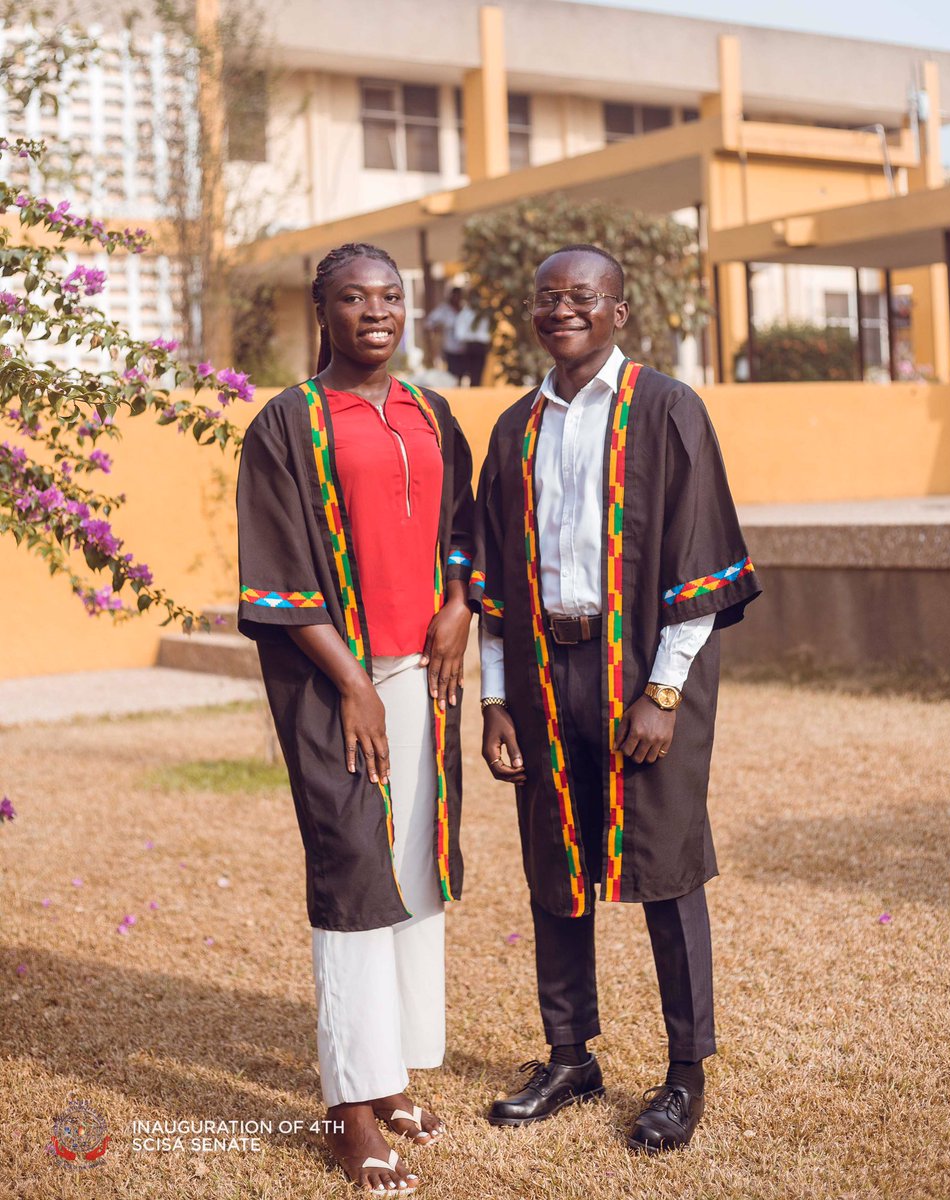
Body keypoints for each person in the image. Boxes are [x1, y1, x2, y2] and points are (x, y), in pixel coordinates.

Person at [470, 244, 761, 1153]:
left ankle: (684, 1072)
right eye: (548, 296)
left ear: (618, 313)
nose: (564, 310)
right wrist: (495, 702)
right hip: (541, 677)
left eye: (583, 297)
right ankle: (569, 1053)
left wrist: (664, 691)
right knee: (555, 866)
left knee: (667, 866)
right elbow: (489, 584)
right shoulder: (514, 428)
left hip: (638, 670)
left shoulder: (668, 410)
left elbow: (699, 557)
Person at [236, 242, 475, 1194]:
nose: (375, 311)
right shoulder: (286, 425)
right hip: (335, 680)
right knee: (350, 873)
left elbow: (467, 531)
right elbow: (278, 574)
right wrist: (354, 682)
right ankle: (351, 1109)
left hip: (427, 672)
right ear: (321, 310)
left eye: (389, 296)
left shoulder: (431, 410)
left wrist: (460, 603)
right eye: (352, 298)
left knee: (413, 864)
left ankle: (395, 1073)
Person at [424, 286, 469, 382]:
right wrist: (436, 329)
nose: (457, 298)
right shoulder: (443, 310)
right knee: (452, 375)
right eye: (455, 296)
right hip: (450, 348)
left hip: (465, 348)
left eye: (459, 296)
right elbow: (429, 322)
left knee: (463, 374)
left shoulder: (465, 310)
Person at [452, 296, 491, 387]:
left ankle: (475, 391)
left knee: (477, 374)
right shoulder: (465, 314)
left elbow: (487, 333)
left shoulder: (483, 314)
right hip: (468, 346)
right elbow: (459, 333)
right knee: (465, 372)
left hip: (479, 346)